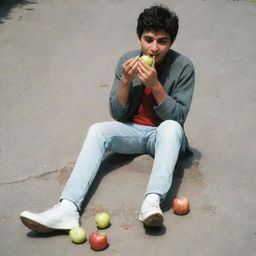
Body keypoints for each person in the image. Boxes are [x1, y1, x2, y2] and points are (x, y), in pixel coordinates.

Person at [20, 5, 195, 232]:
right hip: (134, 131)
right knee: (97, 130)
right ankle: (68, 208)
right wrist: (124, 81)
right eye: (148, 39)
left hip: (165, 136)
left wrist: (155, 86)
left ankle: (151, 202)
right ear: (139, 37)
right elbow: (118, 114)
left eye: (162, 41)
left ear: (171, 42)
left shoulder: (183, 67)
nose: (154, 48)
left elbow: (179, 118)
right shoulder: (127, 60)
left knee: (171, 127)